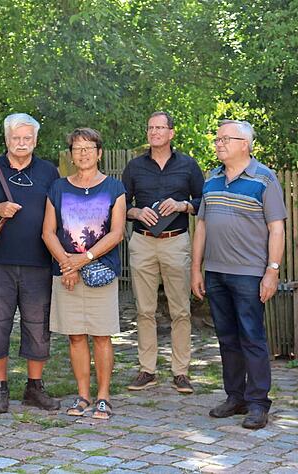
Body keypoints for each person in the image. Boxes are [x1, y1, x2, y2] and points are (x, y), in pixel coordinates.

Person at [191, 120, 286, 429]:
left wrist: (272, 271)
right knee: (227, 339)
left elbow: (276, 228)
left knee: (252, 338)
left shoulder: (264, 178)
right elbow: (201, 227)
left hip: (249, 274)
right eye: (217, 139)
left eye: (225, 139)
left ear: (244, 143)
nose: (218, 144)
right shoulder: (211, 180)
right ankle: (236, 397)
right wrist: (196, 269)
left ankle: (259, 403)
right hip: (216, 273)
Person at [0, 113, 61, 413]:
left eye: (27, 138)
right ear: (7, 139)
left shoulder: (49, 171)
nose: (22, 143)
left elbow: (58, 213)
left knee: (38, 325)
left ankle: (34, 388)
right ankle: (0, 389)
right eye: (16, 138)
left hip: (38, 262)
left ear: (35, 140)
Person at [42, 127, 126, 420]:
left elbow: (116, 233)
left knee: (101, 336)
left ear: (99, 153)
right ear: (71, 155)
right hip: (65, 273)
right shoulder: (58, 188)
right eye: (77, 148)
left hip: (101, 272)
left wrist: (83, 260)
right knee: (76, 336)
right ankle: (83, 396)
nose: (83, 153)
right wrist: (67, 264)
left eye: (89, 147)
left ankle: (103, 397)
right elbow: (48, 232)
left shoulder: (114, 188)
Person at [122, 111, 204, 394]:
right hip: (142, 242)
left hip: (176, 241)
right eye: (150, 128)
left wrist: (182, 206)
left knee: (180, 310)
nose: (154, 132)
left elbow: (202, 201)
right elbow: (120, 206)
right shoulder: (134, 167)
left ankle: (181, 371)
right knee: (144, 309)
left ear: (171, 133)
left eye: (160, 127)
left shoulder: (188, 165)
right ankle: (147, 370)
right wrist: (136, 211)